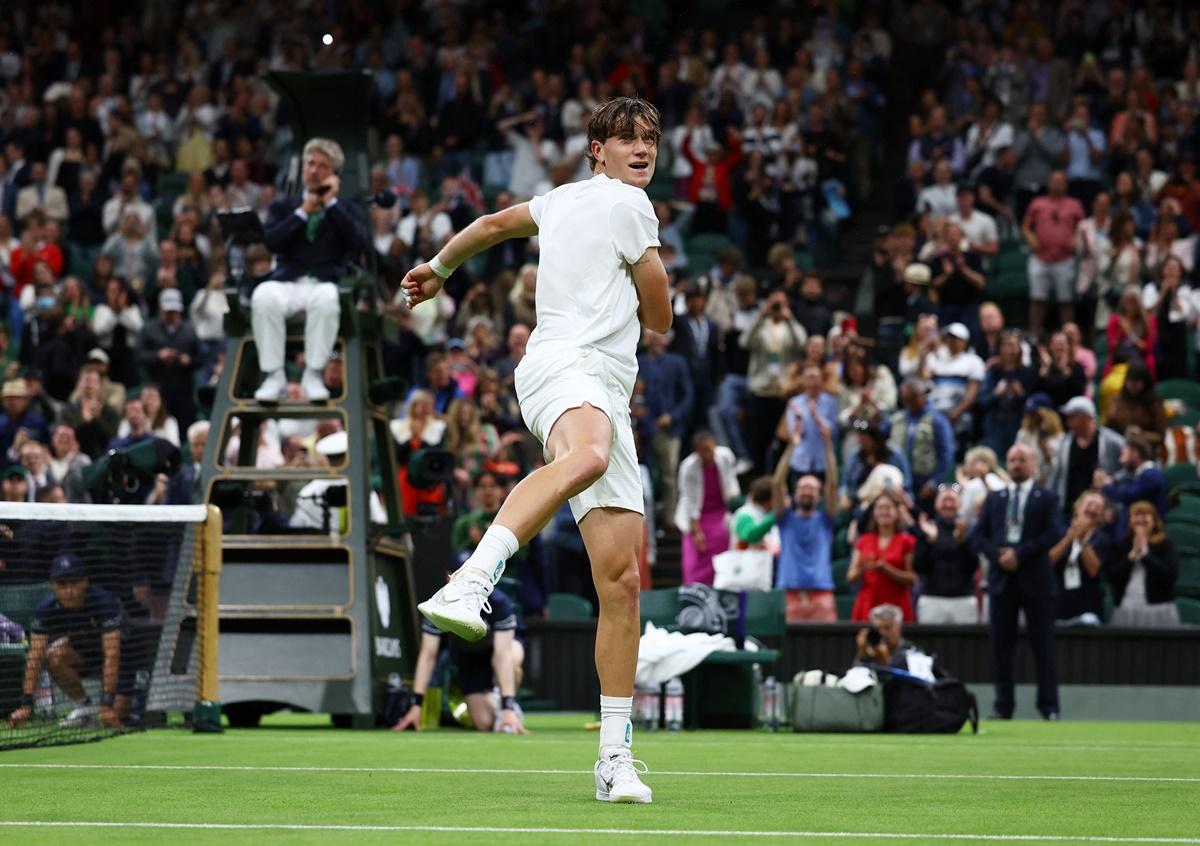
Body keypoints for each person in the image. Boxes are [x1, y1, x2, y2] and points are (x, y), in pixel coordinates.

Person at [407, 97, 667, 804]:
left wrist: (437, 267)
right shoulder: (631, 207)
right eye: (624, 138)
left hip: (603, 387)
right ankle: (472, 579)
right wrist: (646, 288)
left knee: (621, 582)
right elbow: (663, 315)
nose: (640, 149)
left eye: (649, 139)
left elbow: (492, 226)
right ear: (597, 151)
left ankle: (614, 759)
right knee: (583, 456)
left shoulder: (556, 202)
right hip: (566, 366)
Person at [252, 138, 367, 402]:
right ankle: (274, 376)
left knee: (327, 299)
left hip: (325, 283)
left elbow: (359, 243)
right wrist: (302, 212)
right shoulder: (285, 206)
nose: (314, 170)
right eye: (310, 163)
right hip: (288, 282)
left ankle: (314, 374)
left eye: (322, 166)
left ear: (334, 174)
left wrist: (330, 204)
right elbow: (272, 242)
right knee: (263, 295)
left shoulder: (347, 209)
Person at [970, 443, 1064, 720]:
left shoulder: (1046, 497)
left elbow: (1055, 532)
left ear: (1033, 463)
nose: (1016, 464)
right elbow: (978, 536)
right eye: (1011, 460)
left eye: (1022, 459)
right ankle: (1003, 706)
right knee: (1001, 648)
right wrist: (997, 555)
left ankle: (1049, 707)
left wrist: (1020, 554)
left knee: (1043, 646)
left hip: (1036, 579)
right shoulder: (996, 498)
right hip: (1002, 581)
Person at [7, 555, 133, 729]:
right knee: (52, 655)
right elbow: (34, 657)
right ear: (52, 585)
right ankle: (85, 706)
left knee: (116, 718)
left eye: (74, 583)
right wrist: (26, 705)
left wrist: (106, 704)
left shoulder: (105, 603)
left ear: (86, 582)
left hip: (123, 662)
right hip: (84, 655)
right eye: (62, 585)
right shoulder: (45, 609)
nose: (69, 591)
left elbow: (112, 655)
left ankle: (103, 710)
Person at [392, 585, 527, 734]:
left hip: (499, 651)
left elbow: (503, 654)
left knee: (512, 655)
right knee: (483, 723)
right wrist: (416, 705)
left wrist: (506, 707)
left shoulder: (498, 601)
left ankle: (507, 705)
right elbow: (427, 655)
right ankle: (498, 708)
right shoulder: (438, 604)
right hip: (470, 658)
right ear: (449, 576)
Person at [771, 412, 839, 623]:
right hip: (789, 594)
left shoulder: (825, 520)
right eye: (802, 487)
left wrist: (827, 444)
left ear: (819, 496)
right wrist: (792, 445)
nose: (807, 491)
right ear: (794, 493)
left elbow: (833, 484)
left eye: (812, 488)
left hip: (821, 595)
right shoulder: (785, 519)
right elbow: (776, 483)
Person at [1021, 171, 1085, 338]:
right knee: (1037, 299)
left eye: (1060, 182)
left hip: (1065, 259)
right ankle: (1034, 335)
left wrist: (1076, 239)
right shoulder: (1037, 203)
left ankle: (1068, 336)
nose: (1057, 186)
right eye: (1054, 182)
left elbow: (1083, 227)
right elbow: (1026, 227)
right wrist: (1031, 238)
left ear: (1066, 185)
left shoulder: (1074, 204)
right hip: (1040, 258)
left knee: (1065, 301)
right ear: (1048, 184)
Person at [674, 431, 739, 586]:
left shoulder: (726, 457)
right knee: (694, 559)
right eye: (703, 450)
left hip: (720, 513)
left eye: (710, 448)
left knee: (724, 554)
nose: (708, 453)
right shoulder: (688, 467)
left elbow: (731, 483)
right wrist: (696, 531)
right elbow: (688, 499)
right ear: (696, 451)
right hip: (697, 517)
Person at [1108, 501, 1181, 628]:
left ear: (1154, 520)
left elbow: (1170, 576)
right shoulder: (1121, 545)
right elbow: (1113, 578)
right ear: (1130, 520)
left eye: (1145, 515)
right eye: (1136, 515)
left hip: (1159, 609)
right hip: (1126, 607)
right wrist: (1132, 556)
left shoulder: (1165, 544)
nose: (1140, 519)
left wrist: (1145, 555)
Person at [1049, 396, 1124, 517]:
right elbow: (1056, 476)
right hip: (1069, 509)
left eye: (1073, 417)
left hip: (1101, 511)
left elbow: (1129, 468)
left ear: (1086, 417)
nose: (1068, 422)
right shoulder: (1065, 443)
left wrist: (1113, 479)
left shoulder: (1112, 441)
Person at [848, 490, 917, 622]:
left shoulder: (908, 541)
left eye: (888, 507)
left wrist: (887, 569)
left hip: (897, 604)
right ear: (874, 513)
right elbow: (851, 577)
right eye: (880, 507)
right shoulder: (863, 540)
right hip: (868, 603)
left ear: (897, 512)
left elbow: (912, 578)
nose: (884, 511)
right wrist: (863, 569)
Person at [914, 486, 979, 623]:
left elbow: (973, 566)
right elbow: (918, 566)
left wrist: (963, 542)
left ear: (960, 504)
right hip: (932, 598)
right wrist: (930, 542)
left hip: (963, 599)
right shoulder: (927, 528)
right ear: (936, 504)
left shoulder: (970, 529)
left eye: (952, 500)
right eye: (944, 500)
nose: (948, 505)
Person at [1048, 491, 1109, 626]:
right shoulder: (1059, 533)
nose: (1093, 509)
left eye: (1098, 507)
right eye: (1090, 504)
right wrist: (1069, 538)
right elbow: (1048, 563)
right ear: (1078, 507)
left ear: (1101, 516)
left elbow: (1094, 570)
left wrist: (1083, 540)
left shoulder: (1102, 539)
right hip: (1057, 605)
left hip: (1088, 608)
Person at [1096, 436, 1168, 520]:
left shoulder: (1152, 475)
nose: (1120, 460)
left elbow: (1128, 495)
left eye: (1123, 454)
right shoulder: (1140, 474)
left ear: (1134, 453)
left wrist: (1105, 486)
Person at [1102, 360, 1167, 449]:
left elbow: (1161, 436)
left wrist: (1142, 434)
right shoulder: (1117, 400)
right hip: (1120, 446)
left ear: (1144, 383)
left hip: (1145, 450)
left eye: (1136, 383)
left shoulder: (1154, 402)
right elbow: (1107, 431)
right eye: (1129, 382)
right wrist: (1110, 418)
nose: (1132, 386)